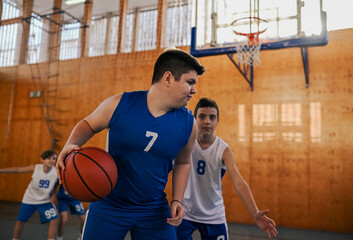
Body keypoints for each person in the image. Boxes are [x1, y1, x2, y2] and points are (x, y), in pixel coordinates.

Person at [55, 48, 205, 240]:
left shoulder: (188, 123)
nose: (194, 90)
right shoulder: (119, 104)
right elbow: (88, 124)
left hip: (153, 209)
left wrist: (177, 199)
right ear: (168, 78)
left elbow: (183, 162)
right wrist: (70, 144)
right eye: (190, 82)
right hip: (108, 206)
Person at [176, 98, 278, 240]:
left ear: (218, 121)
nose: (207, 121)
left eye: (212, 117)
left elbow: (239, 182)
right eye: (202, 116)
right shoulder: (185, 143)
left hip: (214, 215)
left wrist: (255, 212)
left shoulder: (223, 150)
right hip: (186, 213)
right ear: (194, 119)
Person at [0, 150, 59, 240]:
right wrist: (1, 171)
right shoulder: (36, 168)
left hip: (44, 201)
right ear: (42, 160)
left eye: (54, 158)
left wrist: (53, 195)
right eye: (48, 158)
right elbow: (18, 170)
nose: (51, 160)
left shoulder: (56, 172)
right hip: (30, 199)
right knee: (20, 221)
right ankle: (15, 239)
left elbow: (56, 184)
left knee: (54, 220)